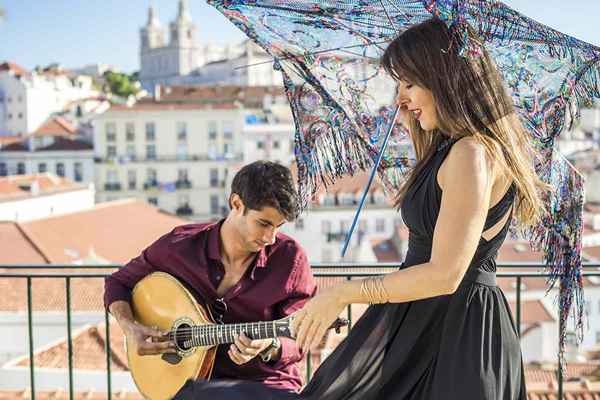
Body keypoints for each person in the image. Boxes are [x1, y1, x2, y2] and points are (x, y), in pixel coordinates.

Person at [173, 17, 549, 400]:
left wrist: (343, 294)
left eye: (409, 83)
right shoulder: (459, 149)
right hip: (429, 324)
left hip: (453, 335)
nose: (399, 98)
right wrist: (415, 118)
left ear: (444, 78)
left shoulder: (470, 152)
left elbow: (446, 274)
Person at [104, 160, 317, 393]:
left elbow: (299, 335)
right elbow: (119, 283)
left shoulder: (291, 259)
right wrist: (131, 328)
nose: (270, 237)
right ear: (236, 203)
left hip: (265, 385)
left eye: (278, 226)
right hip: (193, 383)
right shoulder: (179, 246)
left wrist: (271, 345)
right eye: (263, 223)